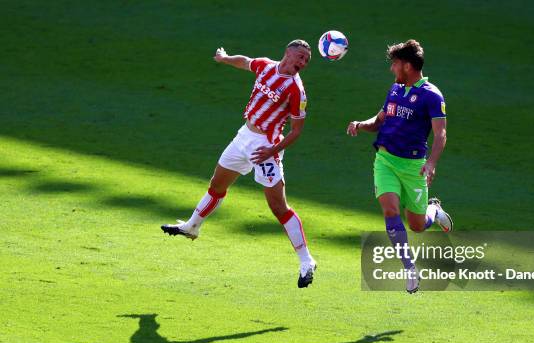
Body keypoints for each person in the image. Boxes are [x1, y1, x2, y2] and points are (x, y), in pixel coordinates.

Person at [162, 40, 316, 288]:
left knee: (278, 207)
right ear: (287, 53)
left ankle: (306, 261)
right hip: (243, 136)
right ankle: (192, 227)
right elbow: (245, 62)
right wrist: (225, 58)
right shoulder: (266, 66)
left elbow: (297, 131)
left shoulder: (297, 90)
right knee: (217, 184)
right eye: (300, 56)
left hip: (266, 147)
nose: (302, 63)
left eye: (306, 61)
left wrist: (272, 150)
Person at [346, 39, 453, 293]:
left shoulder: (431, 95)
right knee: (390, 211)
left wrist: (431, 163)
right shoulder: (394, 90)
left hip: (413, 166)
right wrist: (362, 124)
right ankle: (409, 269)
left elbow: (441, 135)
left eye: (394, 64)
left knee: (416, 225)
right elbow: (380, 120)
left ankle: (433, 211)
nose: (392, 69)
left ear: (406, 65)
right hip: (385, 160)